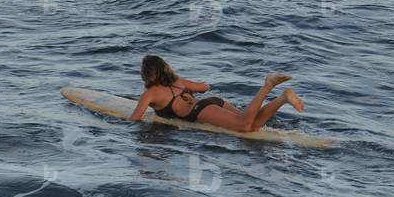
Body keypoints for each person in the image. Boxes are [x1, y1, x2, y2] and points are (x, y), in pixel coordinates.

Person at [129, 55, 304, 132]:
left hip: (200, 111)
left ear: (147, 75)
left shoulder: (150, 94)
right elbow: (205, 87)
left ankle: (267, 86)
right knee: (253, 126)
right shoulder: (178, 81)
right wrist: (186, 89)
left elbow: (135, 119)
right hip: (212, 102)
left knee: (244, 126)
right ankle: (283, 98)